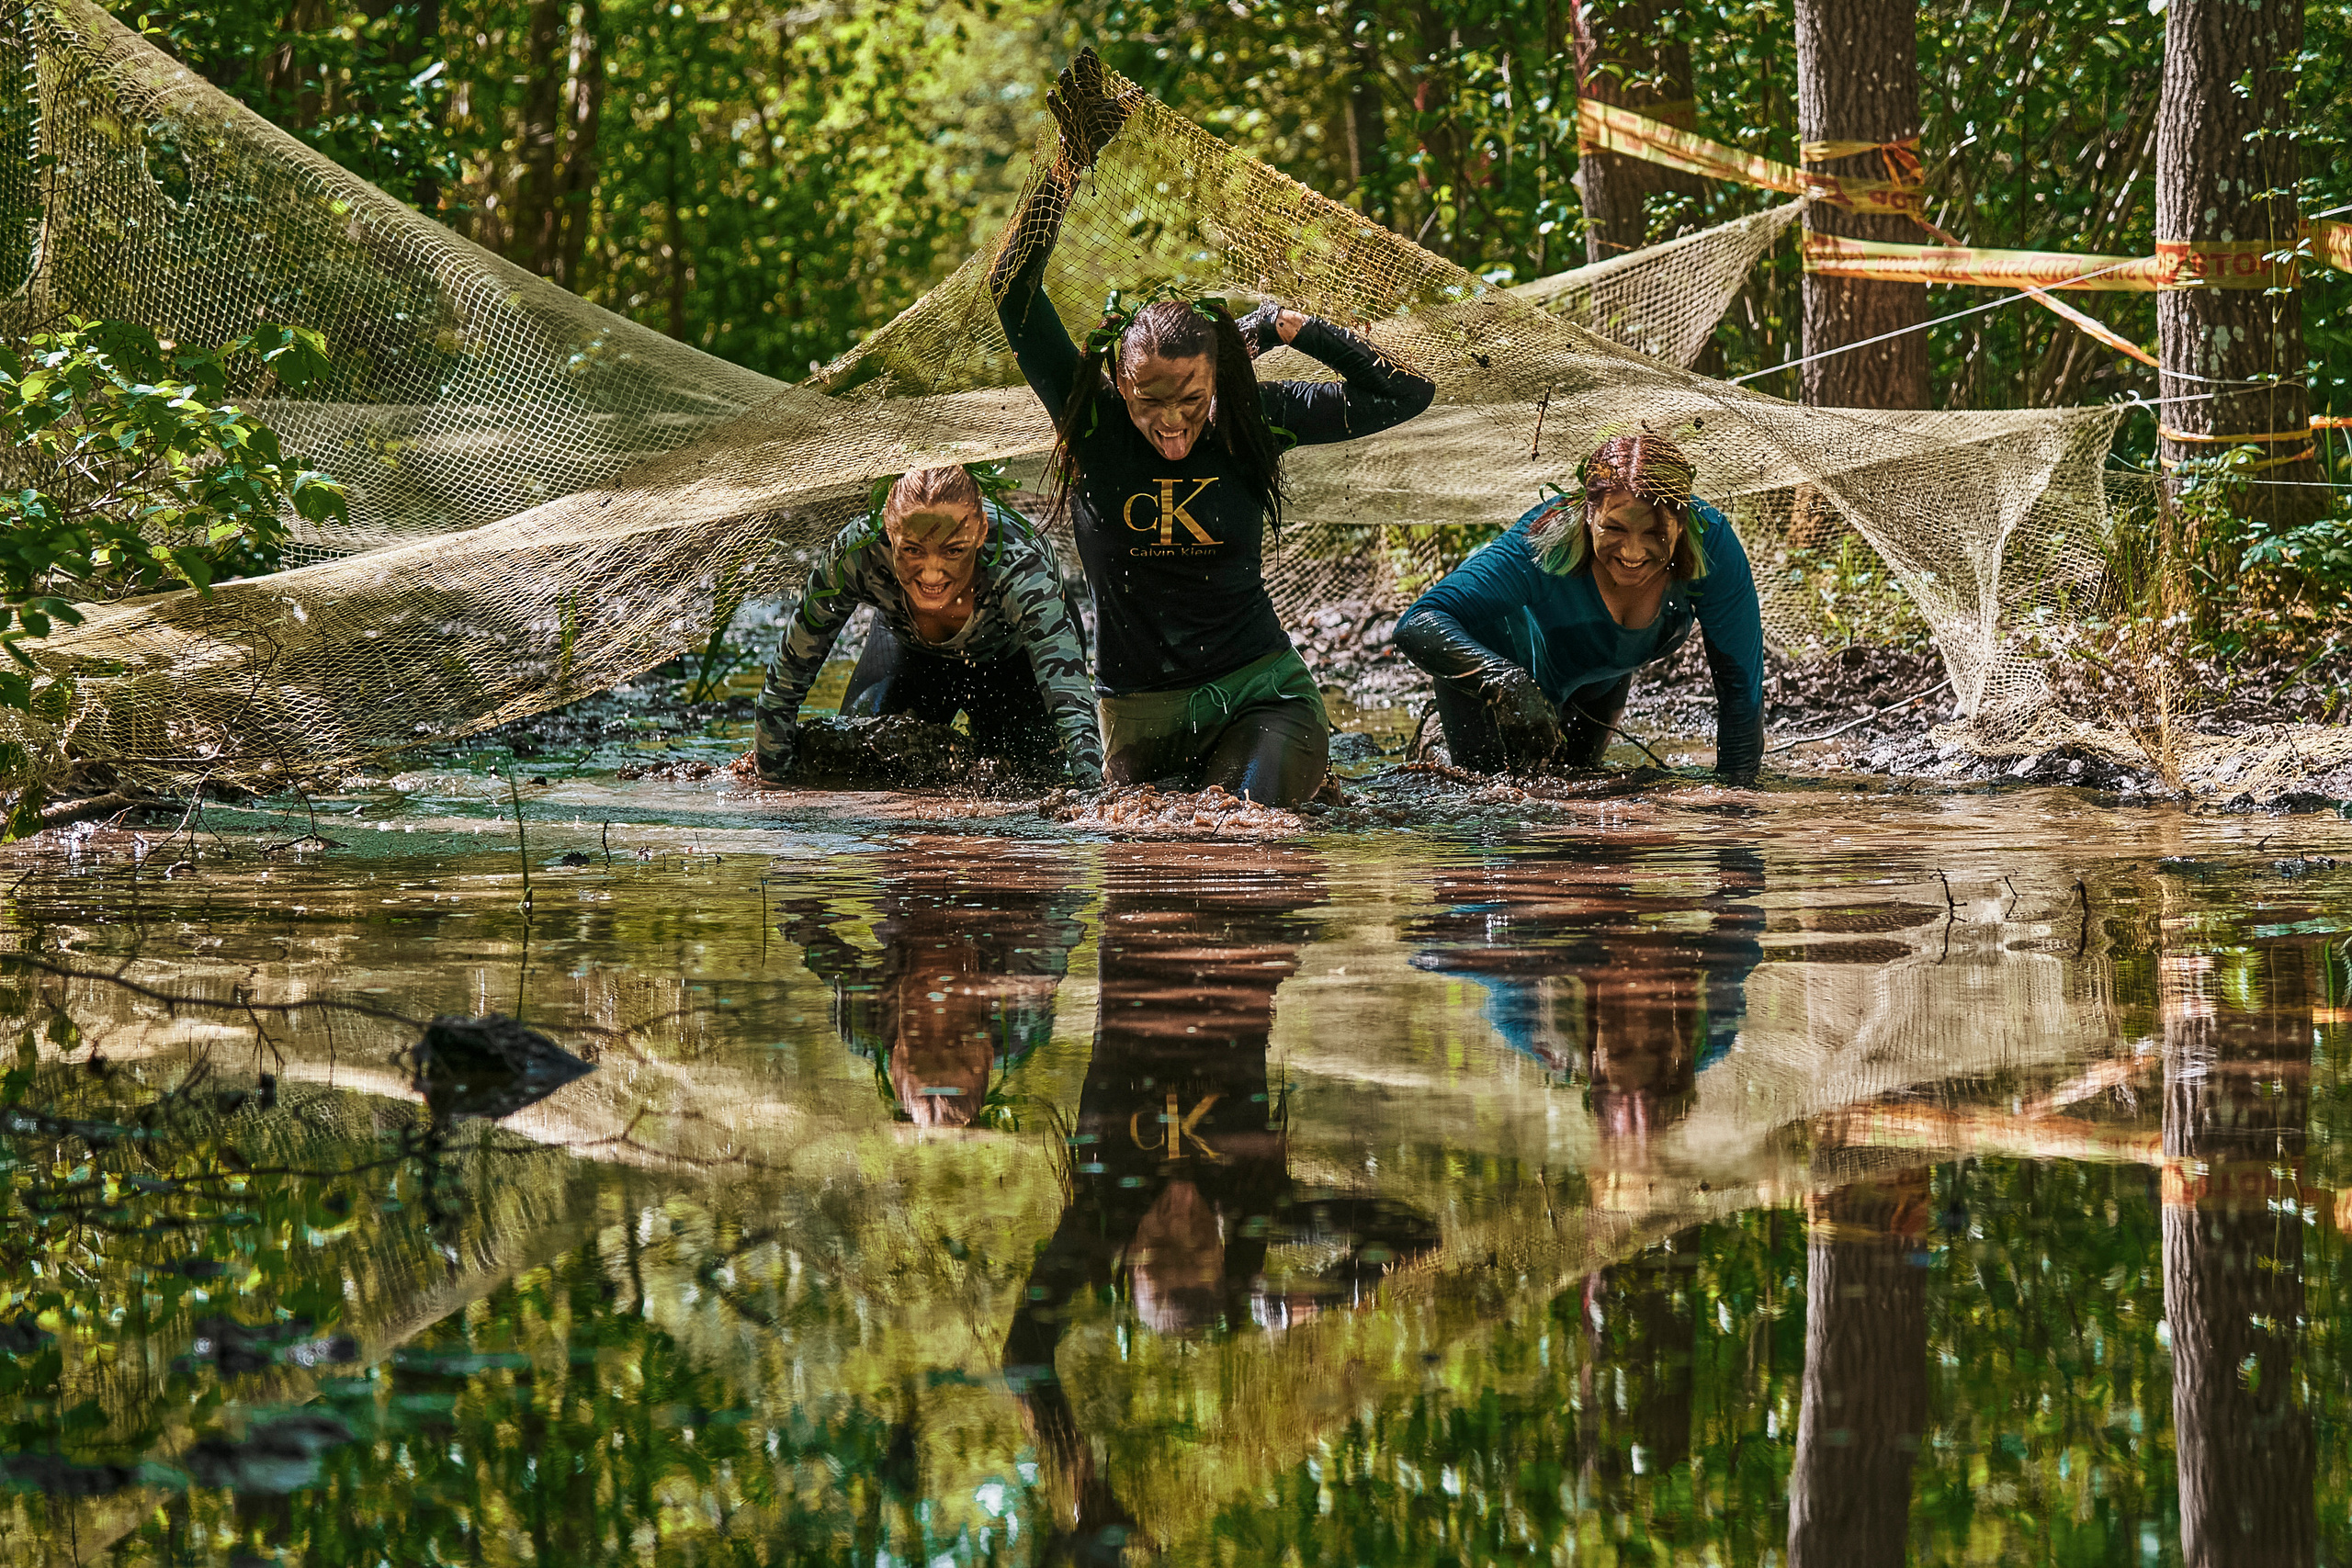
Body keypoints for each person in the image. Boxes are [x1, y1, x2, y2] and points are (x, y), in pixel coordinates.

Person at [989, 51, 1436, 807]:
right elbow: (1011, 291)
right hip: (1135, 716)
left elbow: (1405, 394)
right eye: (1147, 403)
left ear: (1216, 379)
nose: (1170, 423)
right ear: (1118, 386)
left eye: (1190, 399)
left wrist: (1295, 328)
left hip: (1260, 693)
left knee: (1242, 836)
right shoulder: (1092, 422)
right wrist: (1067, 166)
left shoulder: (1253, 417)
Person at [1392, 432, 1766, 783]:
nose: (1632, 552)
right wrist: (1505, 684)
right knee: (1494, 812)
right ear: (1589, 516)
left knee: (1589, 813)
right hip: (1496, 681)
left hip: (1600, 681)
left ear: (1682, 526)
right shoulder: (1544, 539)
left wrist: (1735, 818)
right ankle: (1436, 741)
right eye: (1615, 529)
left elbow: (1741, 693)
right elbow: (1418, 623)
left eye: (1654, 533)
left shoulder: (1713, 547)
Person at [750, 465, 1102, 787]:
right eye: (913, 551)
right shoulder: (857, 553)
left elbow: (1070, 699)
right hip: (909, 652)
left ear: (980, 533)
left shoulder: (1020, 569)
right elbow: (788, 675)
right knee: (858, 763)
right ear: (889, 531)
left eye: (953, 551)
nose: (932, 574)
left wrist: (1091, 797)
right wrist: (773, 782)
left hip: (1014, 660)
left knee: (1027, 782)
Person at [779, 839, 1087, 1128]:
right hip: (1008, 901)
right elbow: (1061, 885)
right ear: (987, 1055)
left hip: (906, 912)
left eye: (921, 1041)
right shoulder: (1022, 1013)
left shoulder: (865, 1021)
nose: (939, 1017)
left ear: (895, 1061)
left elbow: (796, 907)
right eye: (958, 1036)